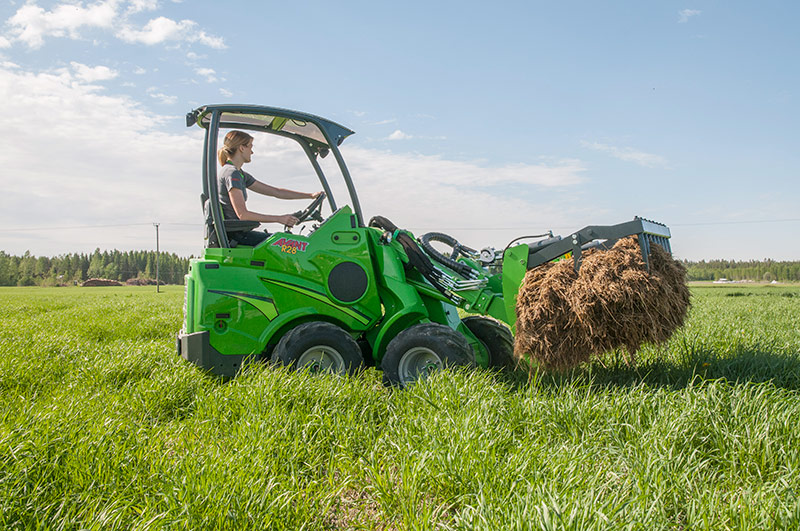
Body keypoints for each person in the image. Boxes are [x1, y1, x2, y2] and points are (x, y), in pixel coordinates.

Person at [215, 130, 323, 246]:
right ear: (241, 148)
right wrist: (279, 218)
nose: (252, 152)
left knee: (290, 243)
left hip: (240, 233)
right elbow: (243, 215)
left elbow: (276, 192)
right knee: (292, 245)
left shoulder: (240, 174)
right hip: (238, 236)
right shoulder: (232, 174)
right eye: (250, 147)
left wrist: (310, 196)